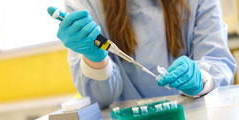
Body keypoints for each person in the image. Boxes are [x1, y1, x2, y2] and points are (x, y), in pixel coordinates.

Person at [50, 0, 237, 108]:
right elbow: (99, 99)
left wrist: (201, 80)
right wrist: (95, 59)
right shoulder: (85, 3)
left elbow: (217, 59)